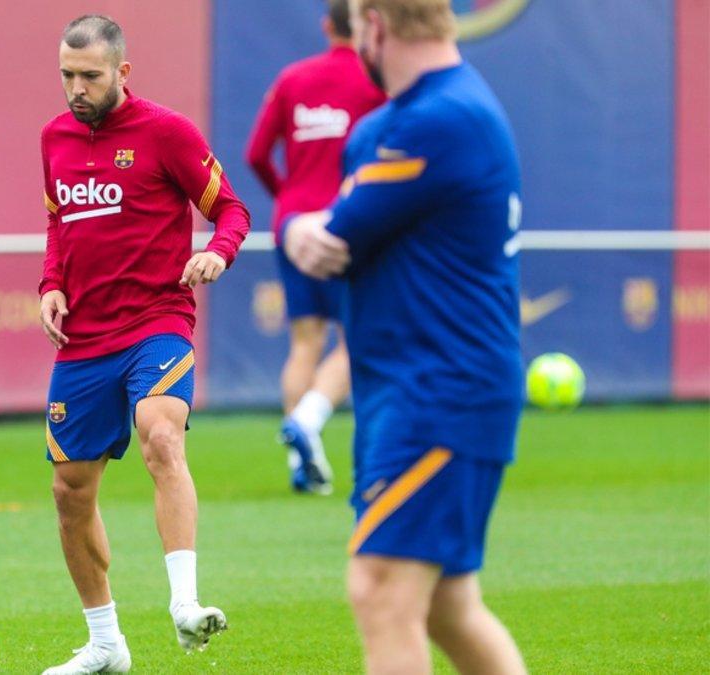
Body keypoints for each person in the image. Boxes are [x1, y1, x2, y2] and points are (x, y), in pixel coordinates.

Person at [286, 0, 528, 672]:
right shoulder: (398, 123)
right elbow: (331, 237)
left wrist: (303, 228)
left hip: (441, 392)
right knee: (449, 605)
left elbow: (329, 238)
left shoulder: (439, 119)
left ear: (377, 27)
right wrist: (306, 231)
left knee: (381, 589)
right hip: (407, 389)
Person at [37, 15, 250, 674]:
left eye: (90, 76)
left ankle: (184, 602)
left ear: (122, 72)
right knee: (71, 493)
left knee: (162, 432)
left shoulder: (167, 133)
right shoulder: (53, 138)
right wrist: (50, 283)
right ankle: (105, 644)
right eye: (68, 75)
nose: (77, 88)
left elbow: (232, 209)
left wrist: (217, 252)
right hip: (83, 339)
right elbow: (57, 222)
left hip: (157, 321)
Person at [245, 0, 385, 494]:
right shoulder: (374, 78)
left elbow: (256, 153)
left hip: (293, 221)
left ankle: (300, 463)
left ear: (327, 26)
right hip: (347, 220)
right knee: (359, 338)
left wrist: (286, 197)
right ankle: (308, 420)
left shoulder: (293, 78)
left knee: (305, 341)